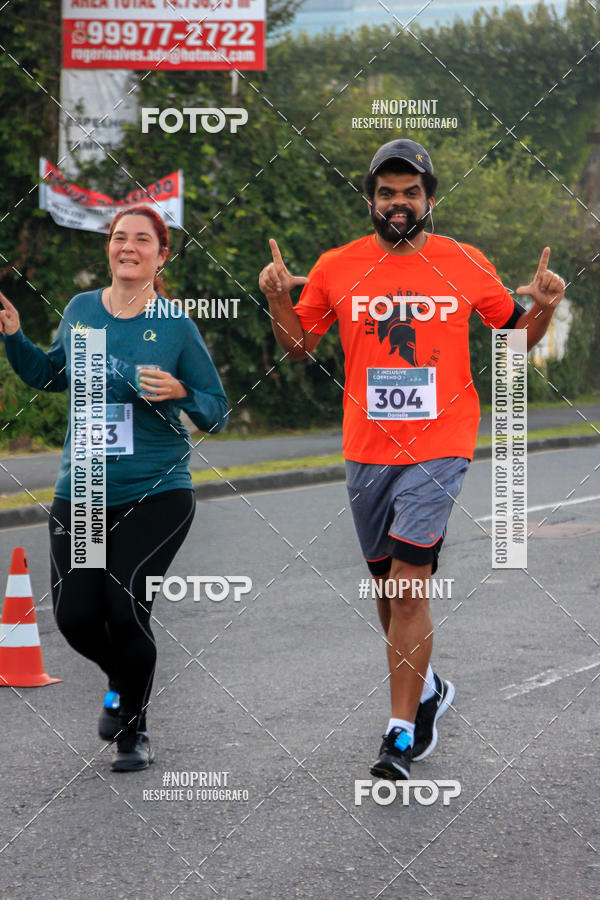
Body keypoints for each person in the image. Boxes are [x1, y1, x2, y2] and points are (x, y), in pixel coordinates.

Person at [258, 138, 565, 780]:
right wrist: (278, 298)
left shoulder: (464, 261)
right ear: (371, 200)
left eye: (411, 192)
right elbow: (298, 346)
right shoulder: (337, 266)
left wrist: (545, 307)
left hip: (440, 443)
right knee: (387, 588)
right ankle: (427, 688)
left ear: (429, 199)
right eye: (386, 193)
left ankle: (400, 731)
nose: (398, 203)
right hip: (367, 448)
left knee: (406, 586)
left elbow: (515, 338)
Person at [0, 205, 229, 771]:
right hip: (84, 487)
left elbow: (218, 411)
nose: (129, 247)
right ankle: (122, 682)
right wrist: (14, 336)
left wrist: (179, 392)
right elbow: (50, 374)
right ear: (109, 248)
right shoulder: (81, 310)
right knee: (76, 616)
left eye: (142, 239)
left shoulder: (176, 326)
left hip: (156, 491)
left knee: (126, 609)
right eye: (119, 237)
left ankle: (133, 729)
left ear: (161, 255)